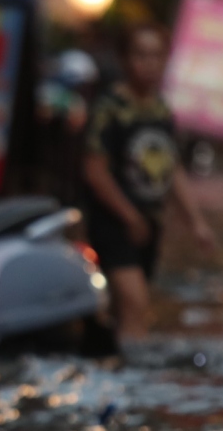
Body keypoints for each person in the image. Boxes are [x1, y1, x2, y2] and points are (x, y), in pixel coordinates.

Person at [81, 23, 214, 348]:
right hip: (114, 222)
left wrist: (195, 221)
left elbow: (171, 169)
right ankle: (131, 378)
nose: (149, 64)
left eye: (156, 56)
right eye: (141, 56)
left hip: (150, 223)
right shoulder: (110, 109)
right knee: (136, 304)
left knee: (126, 306)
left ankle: (109, 359)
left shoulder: (160, 109)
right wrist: (129, 217)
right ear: (125, 60)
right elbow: (94, 171)